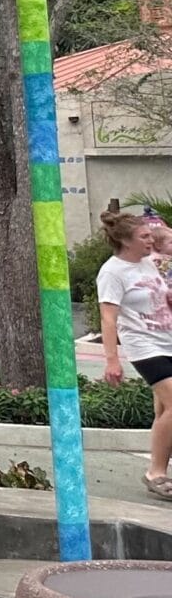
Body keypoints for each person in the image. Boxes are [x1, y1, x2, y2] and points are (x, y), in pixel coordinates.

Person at [98, 209, 172, 500]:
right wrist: (112, 360)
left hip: (168, 340)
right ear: (126, 241)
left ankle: (161, 470)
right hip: (144, 347)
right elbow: (107, 318)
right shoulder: (112, 272)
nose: (150, 240)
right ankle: (155, 472)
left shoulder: (148, 263)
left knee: (164, 411)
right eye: (144, 236)